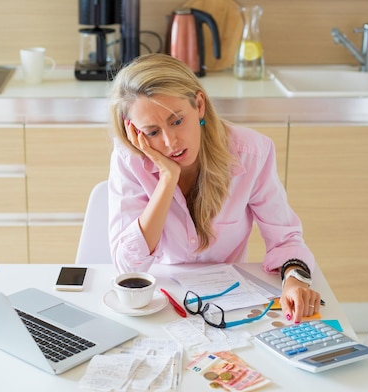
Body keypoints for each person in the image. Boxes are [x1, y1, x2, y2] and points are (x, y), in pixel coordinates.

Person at [107, 53, 320, 323]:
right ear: (133, 131)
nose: (171, 142)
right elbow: (129, 266)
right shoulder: (129, 160)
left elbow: (284, 236)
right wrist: (166, 179)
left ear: (198, 105)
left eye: (176, 121)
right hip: (159, 303)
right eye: (152, 132)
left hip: (231, 302)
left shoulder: (252, 152)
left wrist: (295, 279)